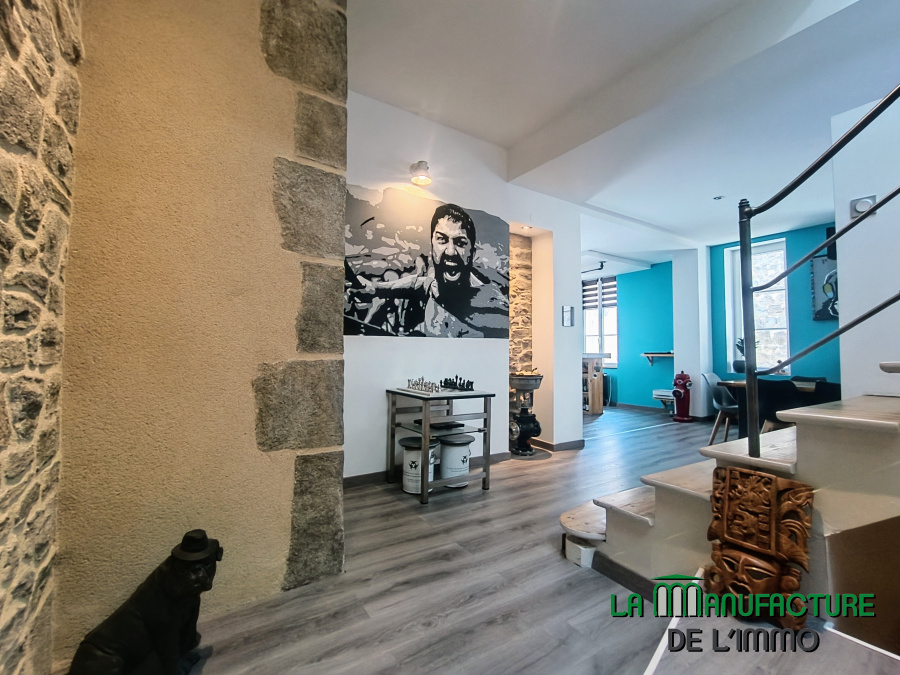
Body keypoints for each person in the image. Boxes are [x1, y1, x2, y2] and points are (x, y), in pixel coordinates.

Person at [354, 204, 508, 337]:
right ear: (432, 247)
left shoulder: (494, 307)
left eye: (460, 243)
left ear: (472, 254)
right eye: (442, 240)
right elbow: (416, 283)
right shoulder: (435, 285)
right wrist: (374, 287)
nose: (450, 251)